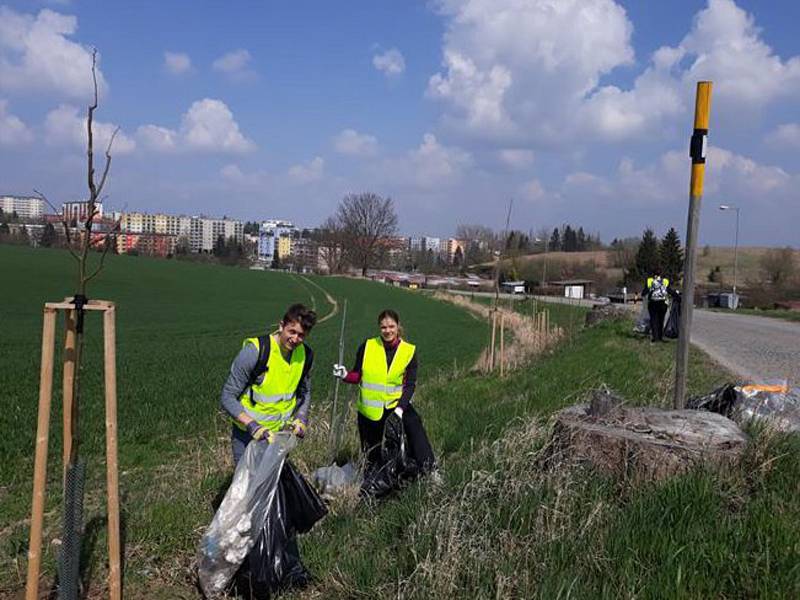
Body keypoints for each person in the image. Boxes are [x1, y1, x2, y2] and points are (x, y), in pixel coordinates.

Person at [333, 309, 436, 475]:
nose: (387, 331)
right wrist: (345, 375)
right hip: (369, 412)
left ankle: (429, 469)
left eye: (391, 326)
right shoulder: (367, 347)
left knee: (415, 427)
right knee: (372, 458)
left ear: (397, 326)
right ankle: (375, 482)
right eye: (383, 327)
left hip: (395, 406)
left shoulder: (409, 351)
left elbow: (410, 385)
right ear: (379, 328)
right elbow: (357, 375)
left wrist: (400, 410)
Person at [220, 303, 317, 465]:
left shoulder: (305, 355)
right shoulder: (256, 351)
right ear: (281, 326)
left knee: (271, 484)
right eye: (291, 332)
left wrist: (301, 418)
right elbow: (227, 397)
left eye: (301, 335)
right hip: (247, 435)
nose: (295, 339)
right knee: (247, 483)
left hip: (279, 436)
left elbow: (305, 392)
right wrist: (252, 425)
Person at [642, 270, 672, 342]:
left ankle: (655, 338)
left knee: (653, 320)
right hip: (663, 303)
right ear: (661, 274)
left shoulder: (650, 280)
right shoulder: (665, 281)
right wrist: (678, 297)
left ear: (653, 274)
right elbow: (669, 291)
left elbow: (644, 292)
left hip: (653, 303)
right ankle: (660, 337)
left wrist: (644, 294)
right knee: (661, 320)